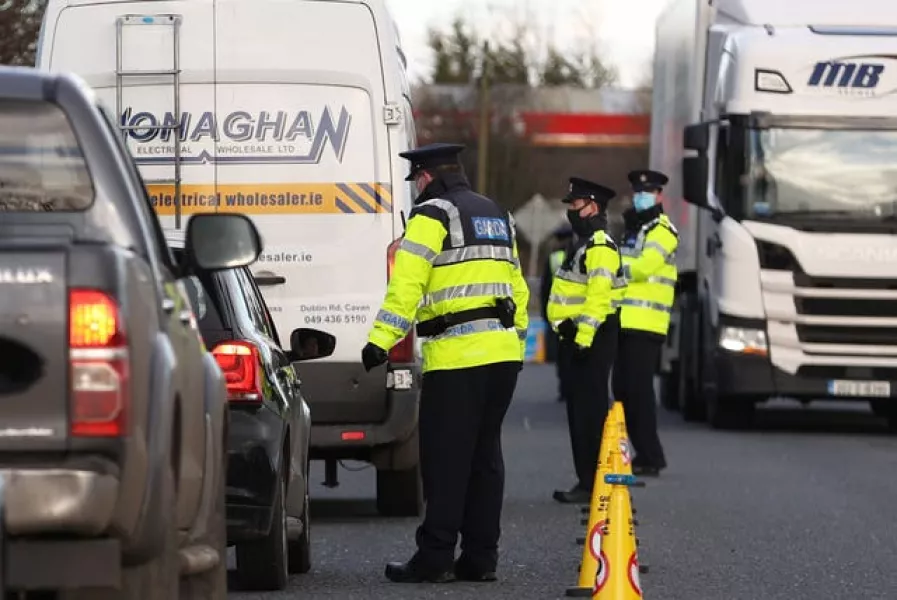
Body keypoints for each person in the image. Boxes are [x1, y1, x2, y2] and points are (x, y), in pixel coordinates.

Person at [360, 142, 529, 584]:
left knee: (445, 460)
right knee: (485, 458)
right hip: (503, 356)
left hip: (457, 358)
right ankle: (480, 558)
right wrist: (519, 341)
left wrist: (380, 340)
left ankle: (434, 557)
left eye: (416, 179)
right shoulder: (497, 213)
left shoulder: (432, 215)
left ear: (426, 176)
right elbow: (517, 285)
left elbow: (407, 284)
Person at [546, 177, 623, 504]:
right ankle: (586, 479)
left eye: (576, 205)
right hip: (577, 336)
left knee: (589, 413)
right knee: (579, 412)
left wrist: (583, 338)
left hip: (592, 338)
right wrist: (564, 328)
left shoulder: (600, 247)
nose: (572, 211)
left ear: (593, 206)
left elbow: (598, 298)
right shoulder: (582, 244)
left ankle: (593, 483)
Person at [614, 169, 679, 477]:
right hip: (625, 320)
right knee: (623, 389)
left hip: (647, 322)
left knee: (638, 391)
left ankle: (651, 455)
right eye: (638, 192)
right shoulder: (634, 230)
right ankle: (636, 451)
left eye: (648, 192)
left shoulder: (663, 231)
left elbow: (644, 268)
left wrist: (613, 265)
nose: (641, 197)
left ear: (659, 196)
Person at [539, 223, 576, 402]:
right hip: (576, 313)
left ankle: (564, 389)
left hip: (557, 312)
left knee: (562, 354)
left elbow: (545, 287)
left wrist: (545, 313)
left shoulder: (553, 258)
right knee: (574, 353)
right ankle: (573, 388)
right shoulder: (578, 254)